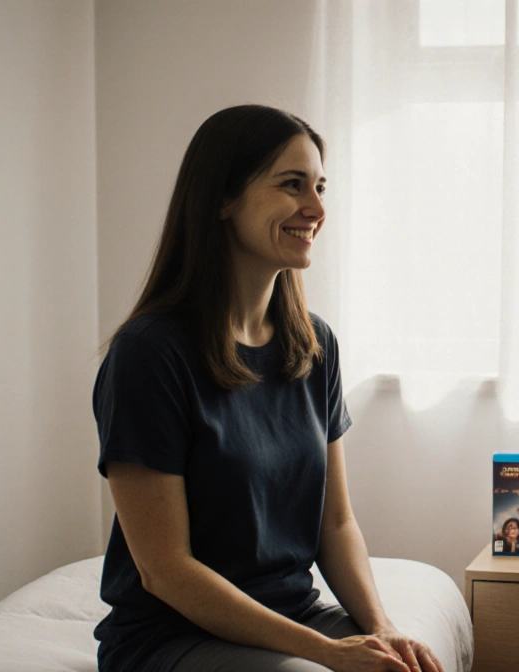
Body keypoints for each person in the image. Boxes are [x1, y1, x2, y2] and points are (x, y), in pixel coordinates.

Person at [93, 105, 443, 672]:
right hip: (171, 638)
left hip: (291, 616)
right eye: (292, 185)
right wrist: (326, 652)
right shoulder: (150, 354)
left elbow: (336, 524)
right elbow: (165, 570)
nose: (317, 208)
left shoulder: (313, 344)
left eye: (321, 186)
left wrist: (381, 630)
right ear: (222, 200)